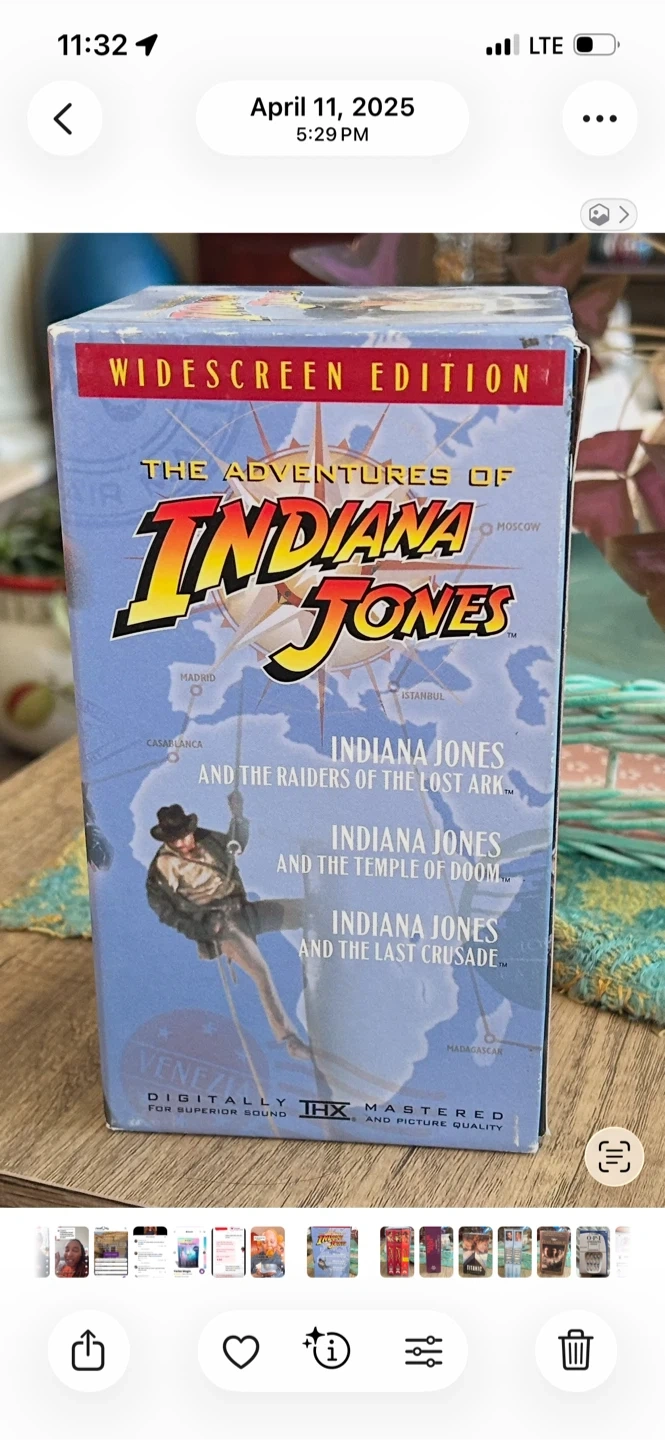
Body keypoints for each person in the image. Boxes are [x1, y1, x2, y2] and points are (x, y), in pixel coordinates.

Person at [146, 795, 309, 1059]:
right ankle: (289, 1040)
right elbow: (168, 912)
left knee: (306, 911)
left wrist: (238, 815)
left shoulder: (207, 839)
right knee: (261, 972)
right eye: (175, 840)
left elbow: (236, 843)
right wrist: (203, 930)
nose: (182, 843)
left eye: (185, 836)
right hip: (221, 924)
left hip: (243, 910)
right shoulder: (164, 866)